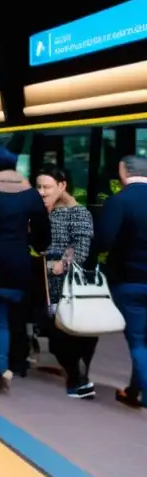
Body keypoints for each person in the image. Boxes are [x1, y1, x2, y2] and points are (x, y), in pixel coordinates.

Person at [0, 143, 51, 392]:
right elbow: (42, 235)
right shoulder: (30, 195)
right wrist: (35, 245)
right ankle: (19, 362)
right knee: (17, 315)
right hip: (20, 263)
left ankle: (0, 367)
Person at [35, 165, 98, 399]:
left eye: (47, 187)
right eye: (39, 186)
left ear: (62, 186)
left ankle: (78, 376)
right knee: (57, 332)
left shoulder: (77, 212)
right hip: (44, 281)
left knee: (70, 332)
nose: (41, 191)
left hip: (67, 282)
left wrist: (62, 264)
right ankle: (77, 375)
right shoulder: (40, 211)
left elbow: (81, 247)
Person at [95, 155, 147, 410]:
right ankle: (134, 391)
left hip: (129, 280)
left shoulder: (120, 201)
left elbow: (104, 239)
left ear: (124, 173)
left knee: (137, 340)